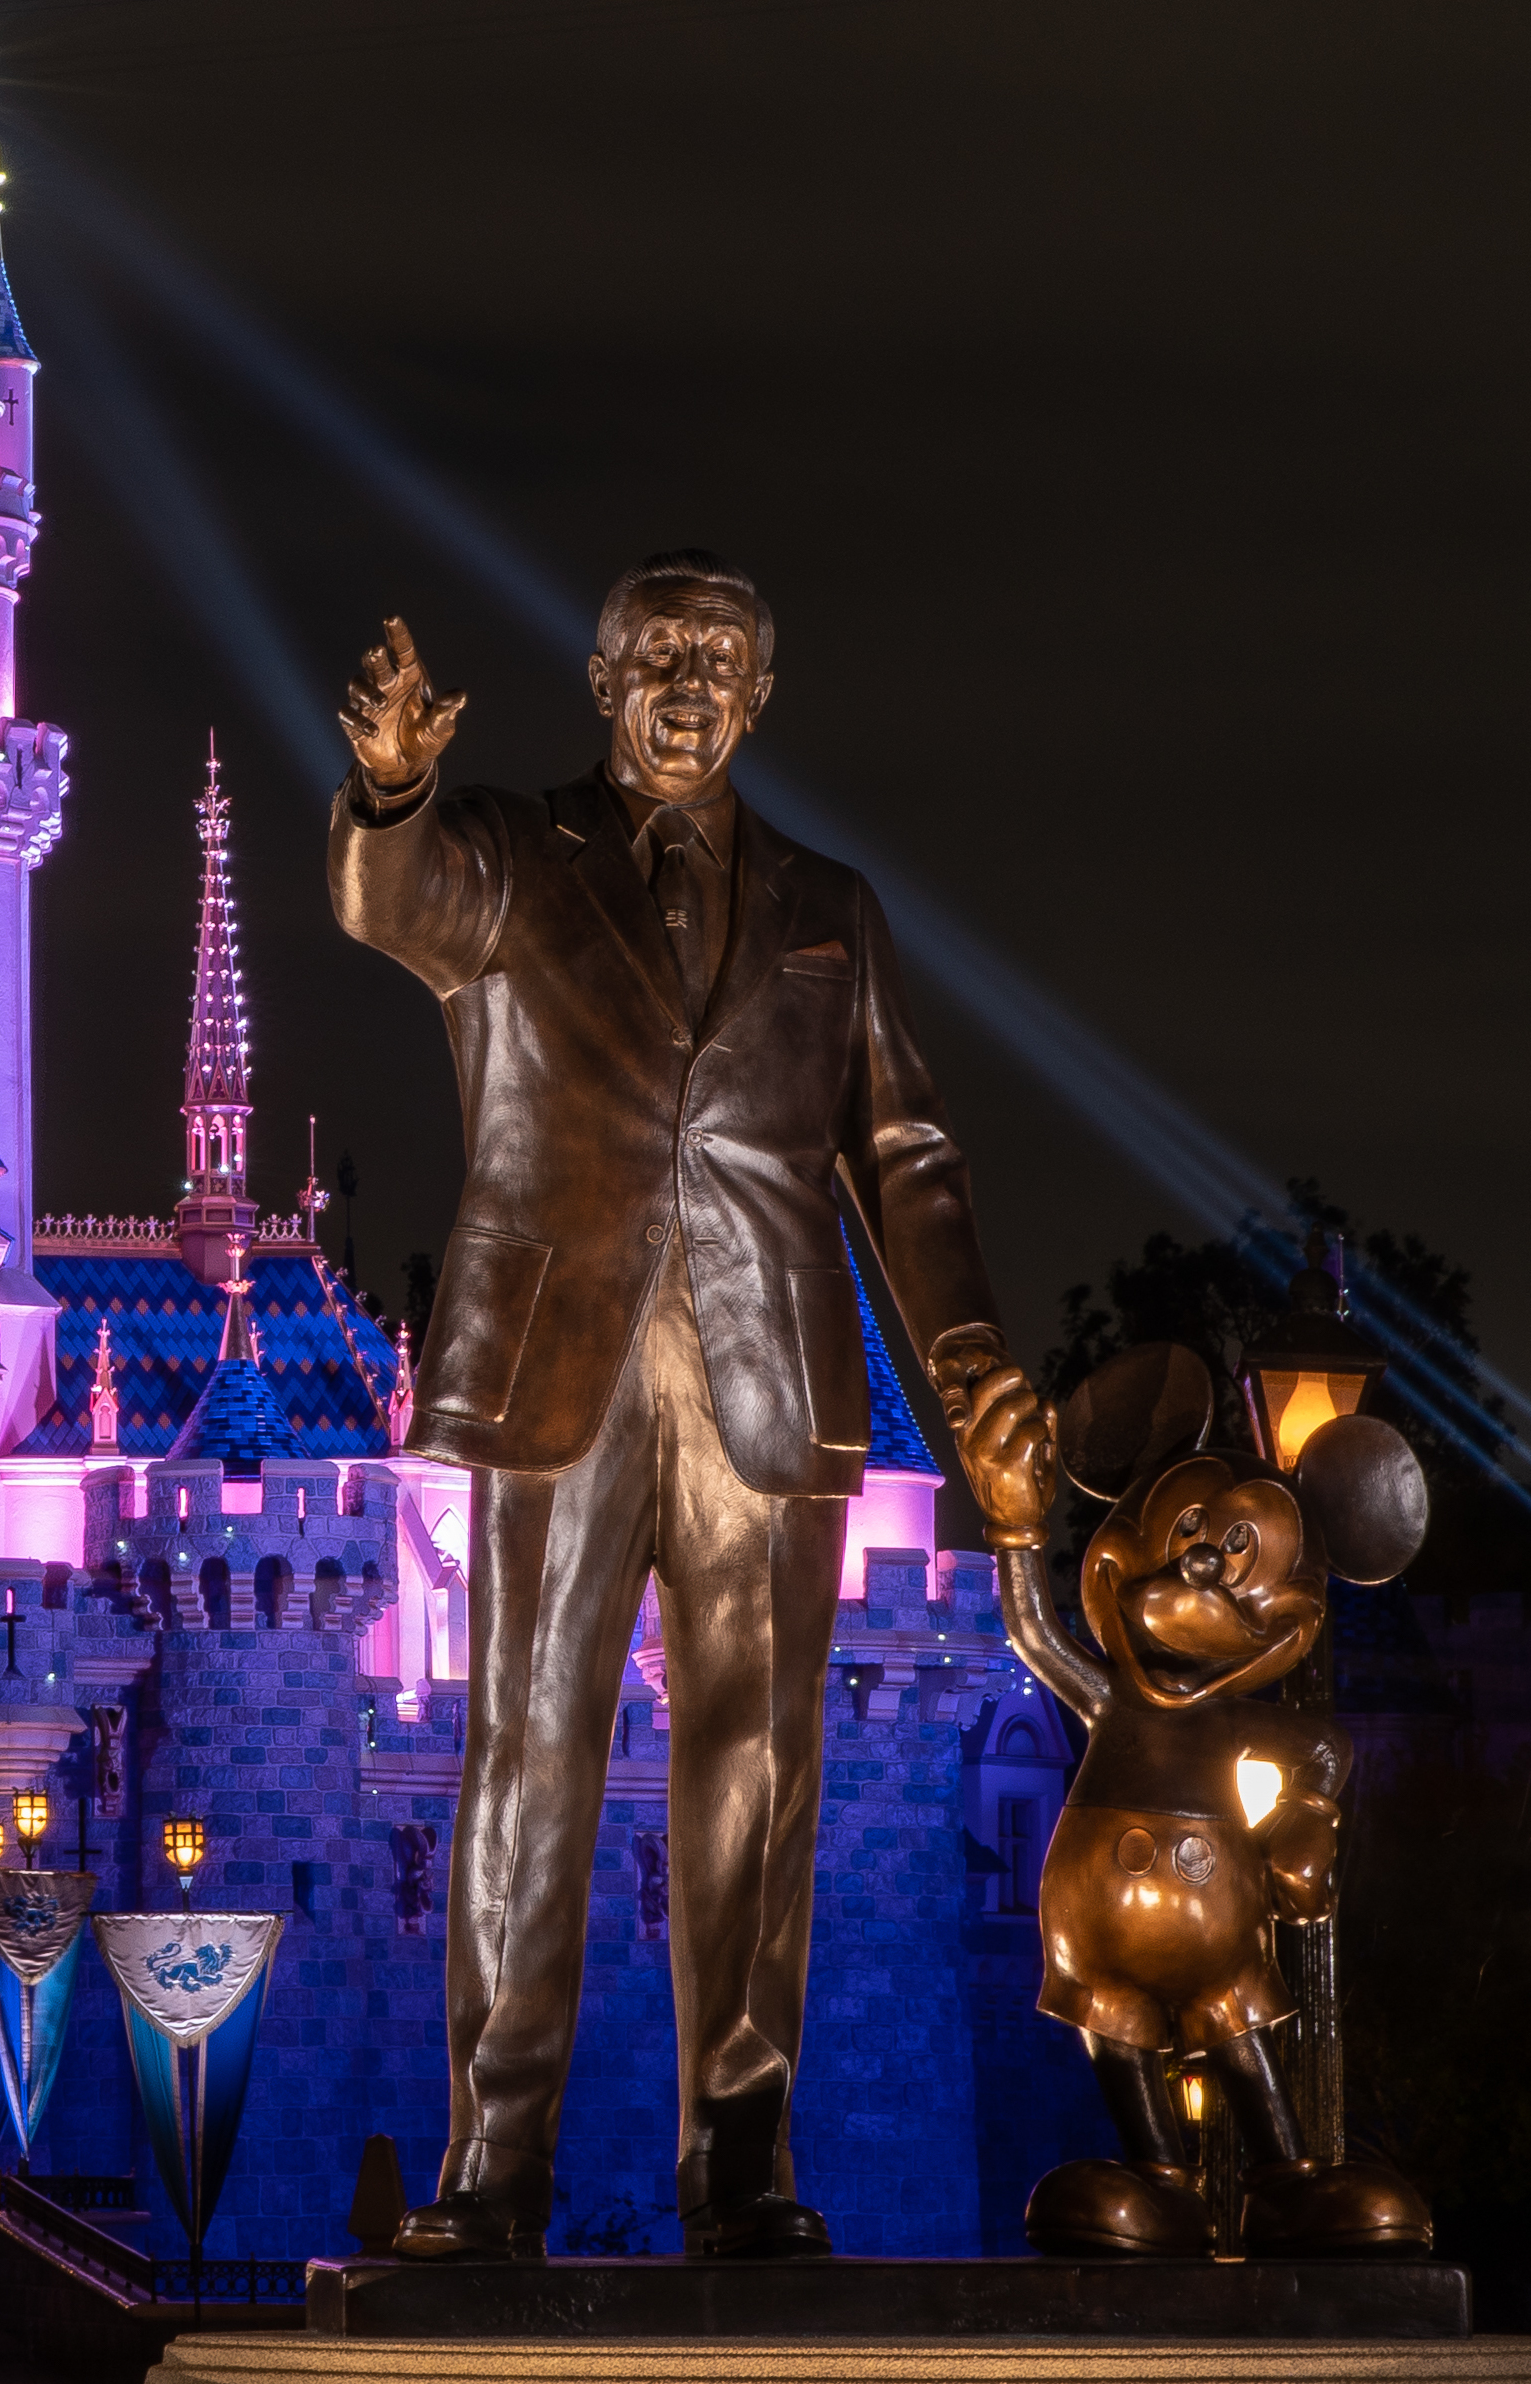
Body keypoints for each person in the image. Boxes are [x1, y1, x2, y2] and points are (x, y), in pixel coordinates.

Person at [327, 553, 1053, 2260]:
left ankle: (742, 2158)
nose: (684, 684)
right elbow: (390, 898)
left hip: (763, 1383)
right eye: (654, 655)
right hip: (560, 1376)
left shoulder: (830, 907)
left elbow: (908, 1158)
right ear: (599, 681)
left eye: (718, 660)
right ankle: (495, 2165)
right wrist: (391, 785)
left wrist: (970, 1375)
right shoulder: (509, 859)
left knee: (758, 1775)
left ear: (761, 695)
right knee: (525, 1760)